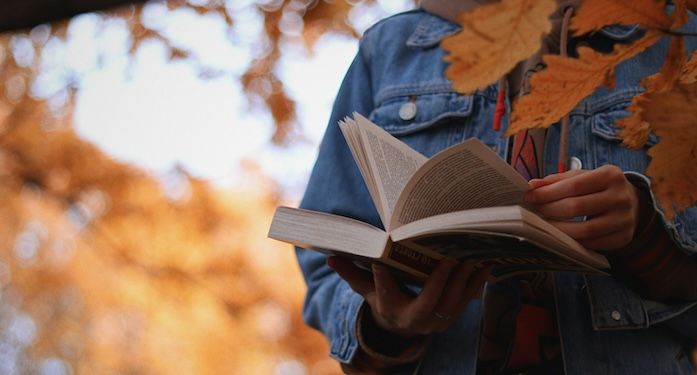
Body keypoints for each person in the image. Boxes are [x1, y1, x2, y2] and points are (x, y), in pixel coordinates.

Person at [295, 1, 697, 373]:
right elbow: (326, 262)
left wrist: (646, 238)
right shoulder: (390, 49)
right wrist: (384, 322)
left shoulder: (679, 42)